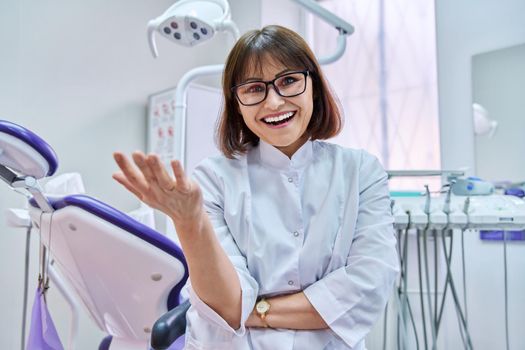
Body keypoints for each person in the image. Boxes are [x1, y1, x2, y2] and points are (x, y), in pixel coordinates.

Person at [113, 25, 399, 350]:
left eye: (288, 81)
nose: (274, 102)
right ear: (237, 104)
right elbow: (225, 303)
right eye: (253, 89)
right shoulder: (213, 179)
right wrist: (190, 224)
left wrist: (254, 310)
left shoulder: (361, 172)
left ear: (313, 87)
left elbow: (369, 285)